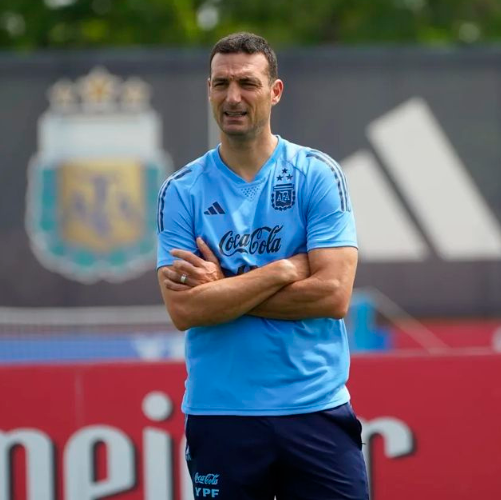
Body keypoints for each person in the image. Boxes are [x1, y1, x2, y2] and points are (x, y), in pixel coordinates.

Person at [154, 32, 367, 500]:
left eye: (247, 83)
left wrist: (222, 288)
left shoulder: (317, 174)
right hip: (221, 415)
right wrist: (283, 270)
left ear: (275, 91)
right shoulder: (181, 190)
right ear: (209, 90)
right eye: (221, 84)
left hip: (315, 408)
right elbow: (185, 310)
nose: (233, 97)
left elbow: (333, 295)